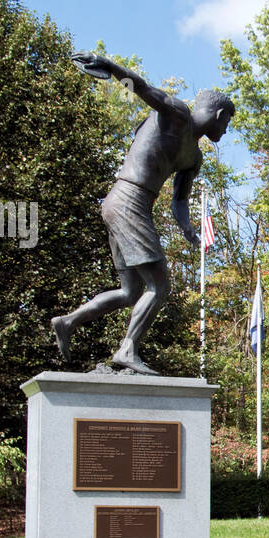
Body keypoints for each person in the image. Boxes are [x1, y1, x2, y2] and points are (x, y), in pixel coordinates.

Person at [51, 51, 234, 375]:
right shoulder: (177, 113)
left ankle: (68, 322)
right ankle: (127, 349)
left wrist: (188, 228)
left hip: (124, 205)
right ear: (219, 113)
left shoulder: (194, 158)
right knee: (160, 287)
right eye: (228, 122)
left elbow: (179, 201)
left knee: (130, 291)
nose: (226, 130)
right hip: (129, 201)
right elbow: (142, 87)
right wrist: (108, 67)